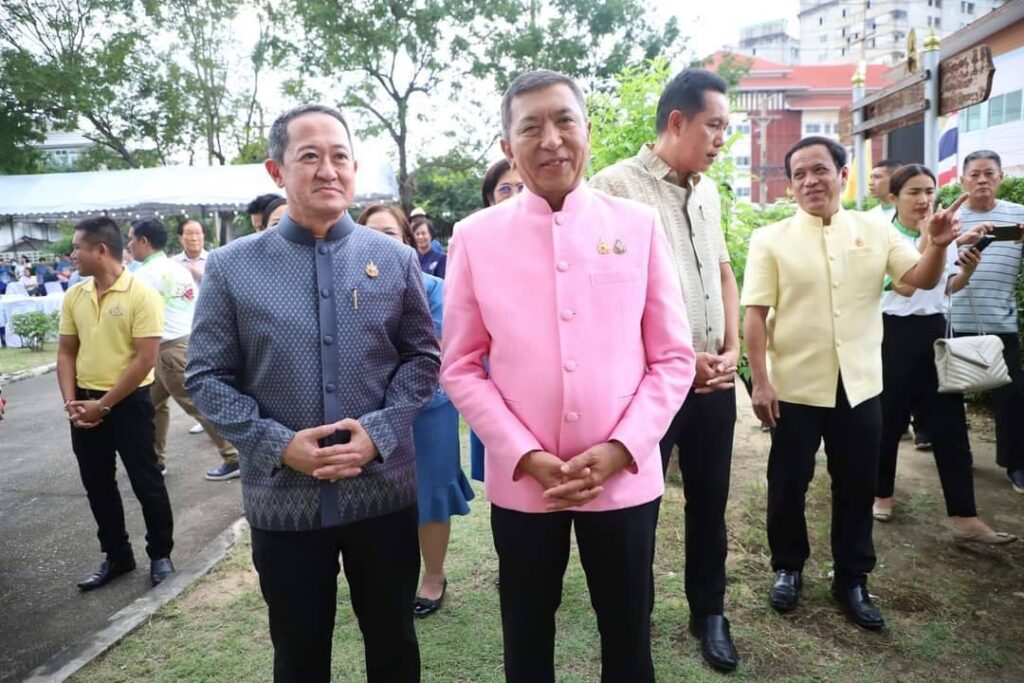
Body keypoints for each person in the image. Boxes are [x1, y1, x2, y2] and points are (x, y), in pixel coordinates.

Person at [441, 69, 696, 682]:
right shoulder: (475, 237)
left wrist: (622, 448)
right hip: (526, 479)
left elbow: (673, 358)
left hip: (624, 475)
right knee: (526, 628)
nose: (551, 139)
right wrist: (523, 454)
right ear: (509, 147)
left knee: (628, 630)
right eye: (531, 127)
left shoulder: (636, 225)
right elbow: (461, 365)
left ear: (586, 130)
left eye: (564, 121)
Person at [185, 104, 439, 683]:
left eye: (340, 156)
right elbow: (206, 376)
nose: (328, 169)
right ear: (277, 171)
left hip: (383, 493)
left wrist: (377, 433)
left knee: (394, 642)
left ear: (354, 168)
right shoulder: (231, 267)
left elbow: (423, 358)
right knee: (298, 651)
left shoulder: (394, 259)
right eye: (310, 156)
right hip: (284, 501)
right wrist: (278, 445)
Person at [741, 136, 964, 631]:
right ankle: (788, 567)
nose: (809, 181)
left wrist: (938, 245)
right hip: (795, 387)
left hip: (859, 386)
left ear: (843, 176)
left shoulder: (874, 230)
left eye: (819, 170)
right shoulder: (771, 238)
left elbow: (919, 279)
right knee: (788, 482)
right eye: (799, 174)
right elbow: (754, 314)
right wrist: (760, 381)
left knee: (857, 484)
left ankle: (852, 578)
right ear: (790, 185)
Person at [590, 68, 741, 673]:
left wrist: (733, 348)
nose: (721, 139)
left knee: (711, 501)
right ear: (677, 121)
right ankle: (635, 618)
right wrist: (677, 361)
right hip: (651, 389)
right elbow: (605, 298)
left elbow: (723, 270)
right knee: (638, 513)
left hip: (715, 382)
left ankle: (710, 612)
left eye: (725, 128)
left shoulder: (707, 191)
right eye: (714, 126)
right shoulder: (613, 187)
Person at [872, 164, 1015, 544]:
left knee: (950, 426)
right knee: (888, 422)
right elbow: (905, 286)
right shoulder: (882, 235)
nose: (923, 200)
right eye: (913, 192)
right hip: (891, 335)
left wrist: (966, 270)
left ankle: (966, 516)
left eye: (929, 191)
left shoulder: (943, 233)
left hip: (935, 331)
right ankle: (881, 494)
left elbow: (947, 287)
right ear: (894, 198)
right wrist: (930, 240)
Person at [356, 203, 474, 618]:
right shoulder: (347, 290)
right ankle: (388, 575)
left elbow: (437, 349)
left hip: (429, 408)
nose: (380, 242)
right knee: (378, 498)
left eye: (389, 233)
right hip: (368, 411)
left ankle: (433, 576)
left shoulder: (434, 288)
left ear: (407, 241)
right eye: (370, 234)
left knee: (432, 493)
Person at [56, 216, 175, 591]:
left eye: (76, 248)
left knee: (146, 481)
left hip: (129, 404)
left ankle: (160, 554)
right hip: (84, 402)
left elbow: (145, 359)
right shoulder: (75, 295)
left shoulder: (141, 294)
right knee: (97, 484)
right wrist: (72, 402)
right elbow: (66, 352)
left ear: (100, 250)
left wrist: (104, 406)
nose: (72, 255)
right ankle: (117, 555)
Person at [127, 218, 241, 481]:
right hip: (179, 343)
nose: (129, 245)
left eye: (131, 239)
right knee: (152, 405)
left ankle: (234, 456)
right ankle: (155, 459)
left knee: (197, 404)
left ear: (144, 241)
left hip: (170, 349)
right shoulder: (176, 269)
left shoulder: (144, 276)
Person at [949, 150, 1024, 496]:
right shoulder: (950, 218)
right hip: (952, 319)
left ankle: (1015, 462)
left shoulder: (1018, 214)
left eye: (989, 173)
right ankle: (956, 457)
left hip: (1001, 321)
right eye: (975, 174)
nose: (982, 180)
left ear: (1000, 178)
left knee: (1011, 395)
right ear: (962, 180)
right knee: (949, 395)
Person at [469, 158, 527, 484]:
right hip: (494, 380)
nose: (514, 195)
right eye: (505, 189)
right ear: (490, 198)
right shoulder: (475, 246)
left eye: (522, 187)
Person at [172, 220, 208, 285]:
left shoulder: (214, 260)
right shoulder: (173, 263)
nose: (194, 238)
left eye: (198, 233)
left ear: (203, 236)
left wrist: (202, 276)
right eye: (189, 233)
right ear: (180, 238)